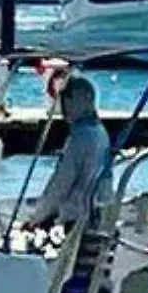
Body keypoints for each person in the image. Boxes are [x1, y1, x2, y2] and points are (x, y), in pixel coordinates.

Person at [24, 72, 111, 237]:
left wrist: (36, 218)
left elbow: (61, 183)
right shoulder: (100, 133)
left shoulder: (80, 137)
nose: (62, 106)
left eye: (64, 99)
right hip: (94, 215)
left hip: (75, 222)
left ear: (74, 101)